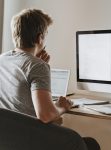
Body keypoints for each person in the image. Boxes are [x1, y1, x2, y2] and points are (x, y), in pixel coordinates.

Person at [0, 8, 100, 150]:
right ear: (40, 38)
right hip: (29, 140)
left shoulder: (2, 59)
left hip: (8, 141)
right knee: (88, 144)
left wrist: (38, 64)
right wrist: (61, 106)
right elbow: (45, 115)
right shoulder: (37, 66)